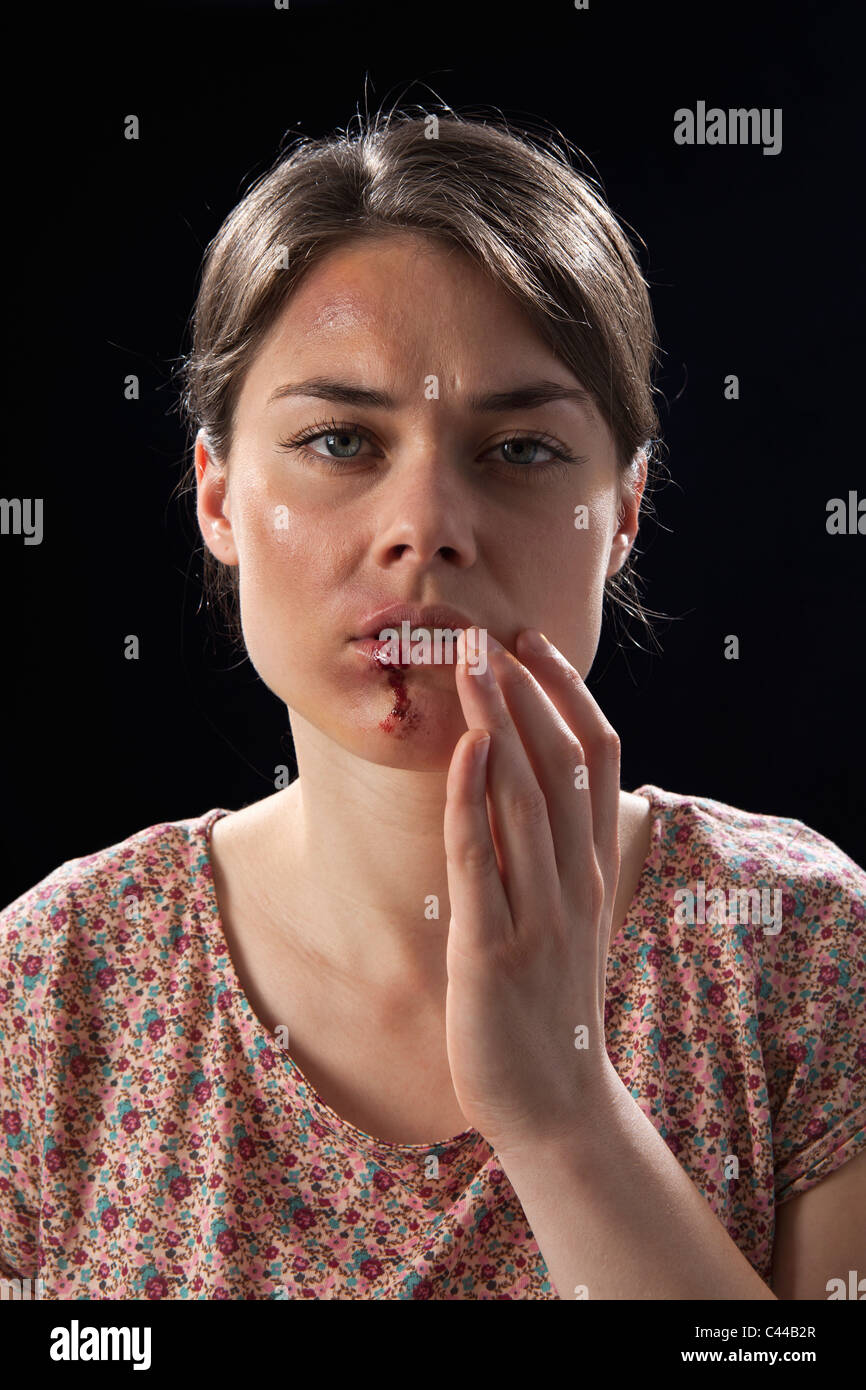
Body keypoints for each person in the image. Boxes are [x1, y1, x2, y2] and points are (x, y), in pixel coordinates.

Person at [1, 109, 863, 1302]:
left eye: (515, 451)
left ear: (619, 512)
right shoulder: (50, 987)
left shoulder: (805, 946)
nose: (427, 529)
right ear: (217, 500)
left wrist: (562, 1114)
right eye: (341, 438)